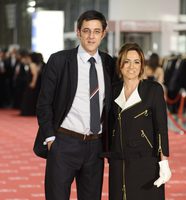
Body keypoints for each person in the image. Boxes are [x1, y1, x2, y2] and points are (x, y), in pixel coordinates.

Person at [33, 10, 115, 200]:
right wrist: (51, 138)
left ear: (103, 33)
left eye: (96, 31)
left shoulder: (109, 63)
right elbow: (43, 103)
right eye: (86, 30)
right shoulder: (59, 60)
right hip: (64, 143)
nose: (91, 36)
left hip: (95, 147)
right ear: (78, 32)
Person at [108, 43, 171, 200]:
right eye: (127, 61)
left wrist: (164, 164)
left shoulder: (153, 90)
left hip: (146, 163)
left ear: (142, 65)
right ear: (120, 64)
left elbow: (161, 128)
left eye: (137, 62)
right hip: (118, 163)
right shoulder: (113, 90)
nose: (131, 67)